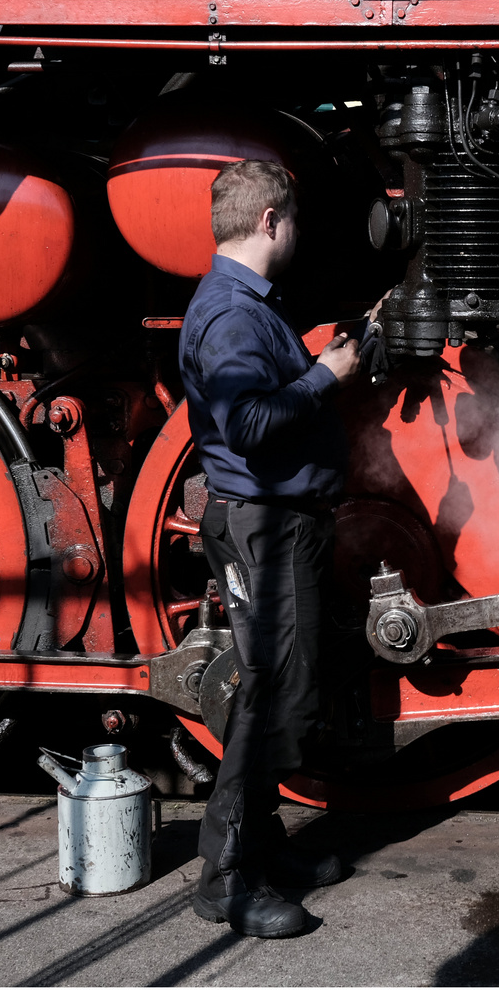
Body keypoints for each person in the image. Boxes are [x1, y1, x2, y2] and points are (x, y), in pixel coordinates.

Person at [178, 158, 362, 938]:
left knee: (286, 690)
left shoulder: (249, 305)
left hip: (281, 520)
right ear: (269, 222)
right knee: (268, 700)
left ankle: (263, 847)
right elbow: (246, 425)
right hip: (266, 524)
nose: (297, 233)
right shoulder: (230, 315)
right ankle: (225, 881)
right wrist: (326, 376)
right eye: (294, 221)